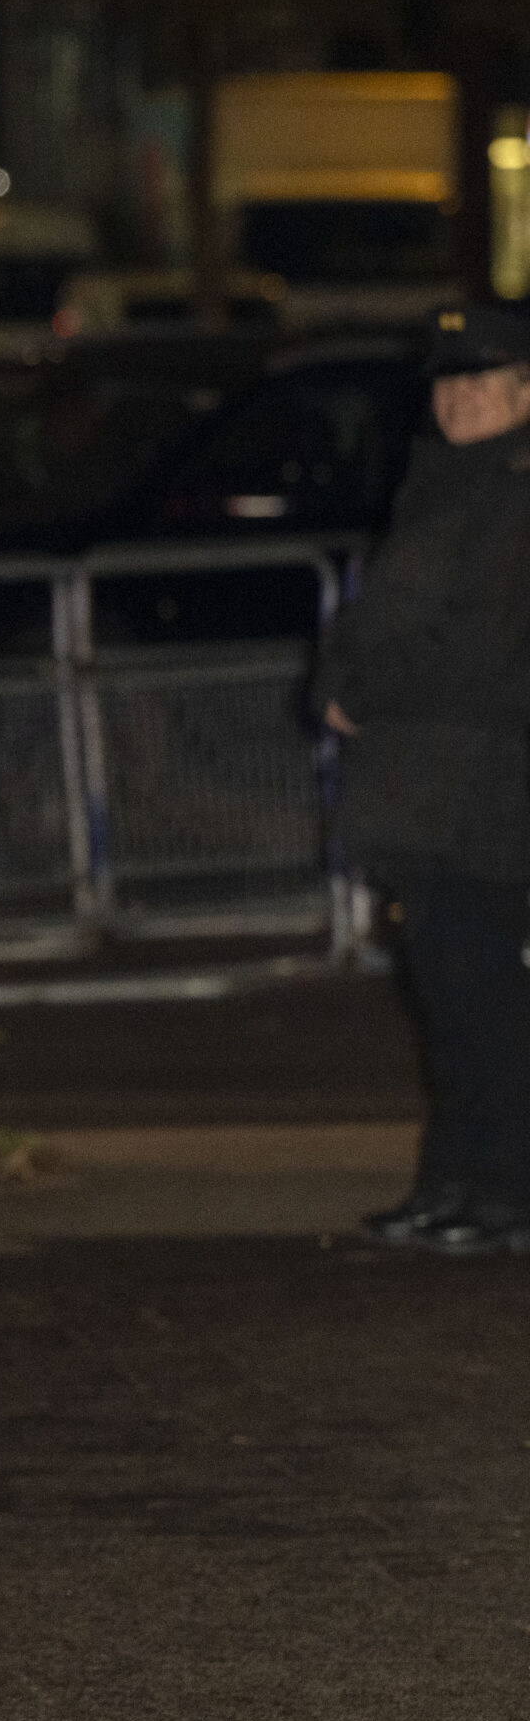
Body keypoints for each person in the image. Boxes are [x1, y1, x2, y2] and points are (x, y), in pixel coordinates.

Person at [320, 302, 530, 1255]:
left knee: (482, 995)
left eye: (482, 380)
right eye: (449, 382)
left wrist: (360, 692)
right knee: (448, 995)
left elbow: (480, 647)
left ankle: (502, 1189)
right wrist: (335, 679)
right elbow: (377, 615)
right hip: (426, 788)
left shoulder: (511, 495)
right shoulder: (441, 484)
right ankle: (454, 1181)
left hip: (482, 788)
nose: (460, 398)